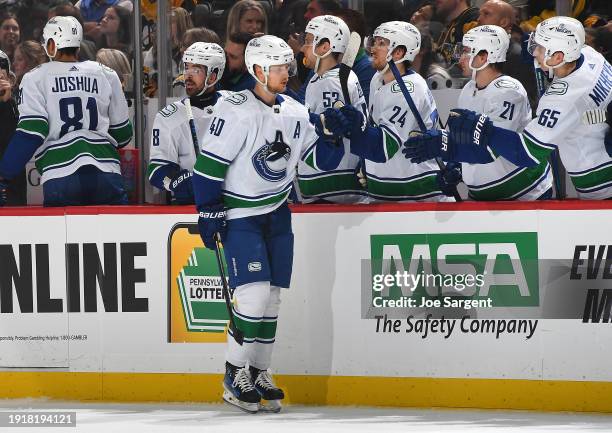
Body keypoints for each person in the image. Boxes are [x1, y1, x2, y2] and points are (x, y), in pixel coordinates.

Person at [192, 35, 344, 413]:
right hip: (241, 214)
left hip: (277, 211)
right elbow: (208, 166)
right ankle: (234, 374)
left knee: (273, 298)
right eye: (278, 67)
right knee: (254, 296)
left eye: (286, 66)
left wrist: (335, 133)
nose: (286, 72)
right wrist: (209, 208)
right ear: (258, 70)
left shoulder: (294, 110)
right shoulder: (235, 109)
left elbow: (320, 160)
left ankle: (259, 371)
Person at [404, 17, 612, 200]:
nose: (533, 53)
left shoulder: (560, 97)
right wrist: (457, 165)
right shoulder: (588, 54)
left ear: (558, 57)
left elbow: (527, 152)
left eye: (540, 47)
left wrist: (481, 133)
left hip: (600, 184)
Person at [0, 16, 133, 207]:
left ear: (52, 45)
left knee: (66, 236)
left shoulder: (35, 77)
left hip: (61, 175)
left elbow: (33, 132)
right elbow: (123, 135)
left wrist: (4, 173)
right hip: (107, 172)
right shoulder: (106, 73)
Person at [326, 21, 452, 202]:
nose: (373, 49)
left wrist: (357, 129)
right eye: (374, 42)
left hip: (417, 196)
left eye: (381, 43)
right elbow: (378, 127)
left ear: (399, 52)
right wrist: (366, 163)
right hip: (390, 191)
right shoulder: (378, 79)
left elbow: (385, 147)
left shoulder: (408, 89)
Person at [452, 25, 553, 200]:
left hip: (525, 193)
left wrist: (443, 147)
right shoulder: (468, 88)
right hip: (482, 197)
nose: (460, 57)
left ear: (483, 57)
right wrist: (455, 167)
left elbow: (490, 148)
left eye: (466, 51)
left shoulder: (508, 92)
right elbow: (463, 138)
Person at [296, 14, 367, 203]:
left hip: (331, 187)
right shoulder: (324, 78)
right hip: (337, 186)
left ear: (325, 47)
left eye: (309, 41)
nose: (303, 47)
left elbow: (328, 133)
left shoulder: (330, 82)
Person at [148, 42, 226, 205]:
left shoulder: (235, 107)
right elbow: (156, 170)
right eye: (186, 68)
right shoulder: (168, 117)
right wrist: (179, 181)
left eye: (196, 70)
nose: (187, 76)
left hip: (233, 202)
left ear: (213, 75)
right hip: (190, 206)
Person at [0, 49, 25, 205]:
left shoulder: (19, 106)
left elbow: (14, 144)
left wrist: (6, 103)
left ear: (11, 79)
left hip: (12, 191)